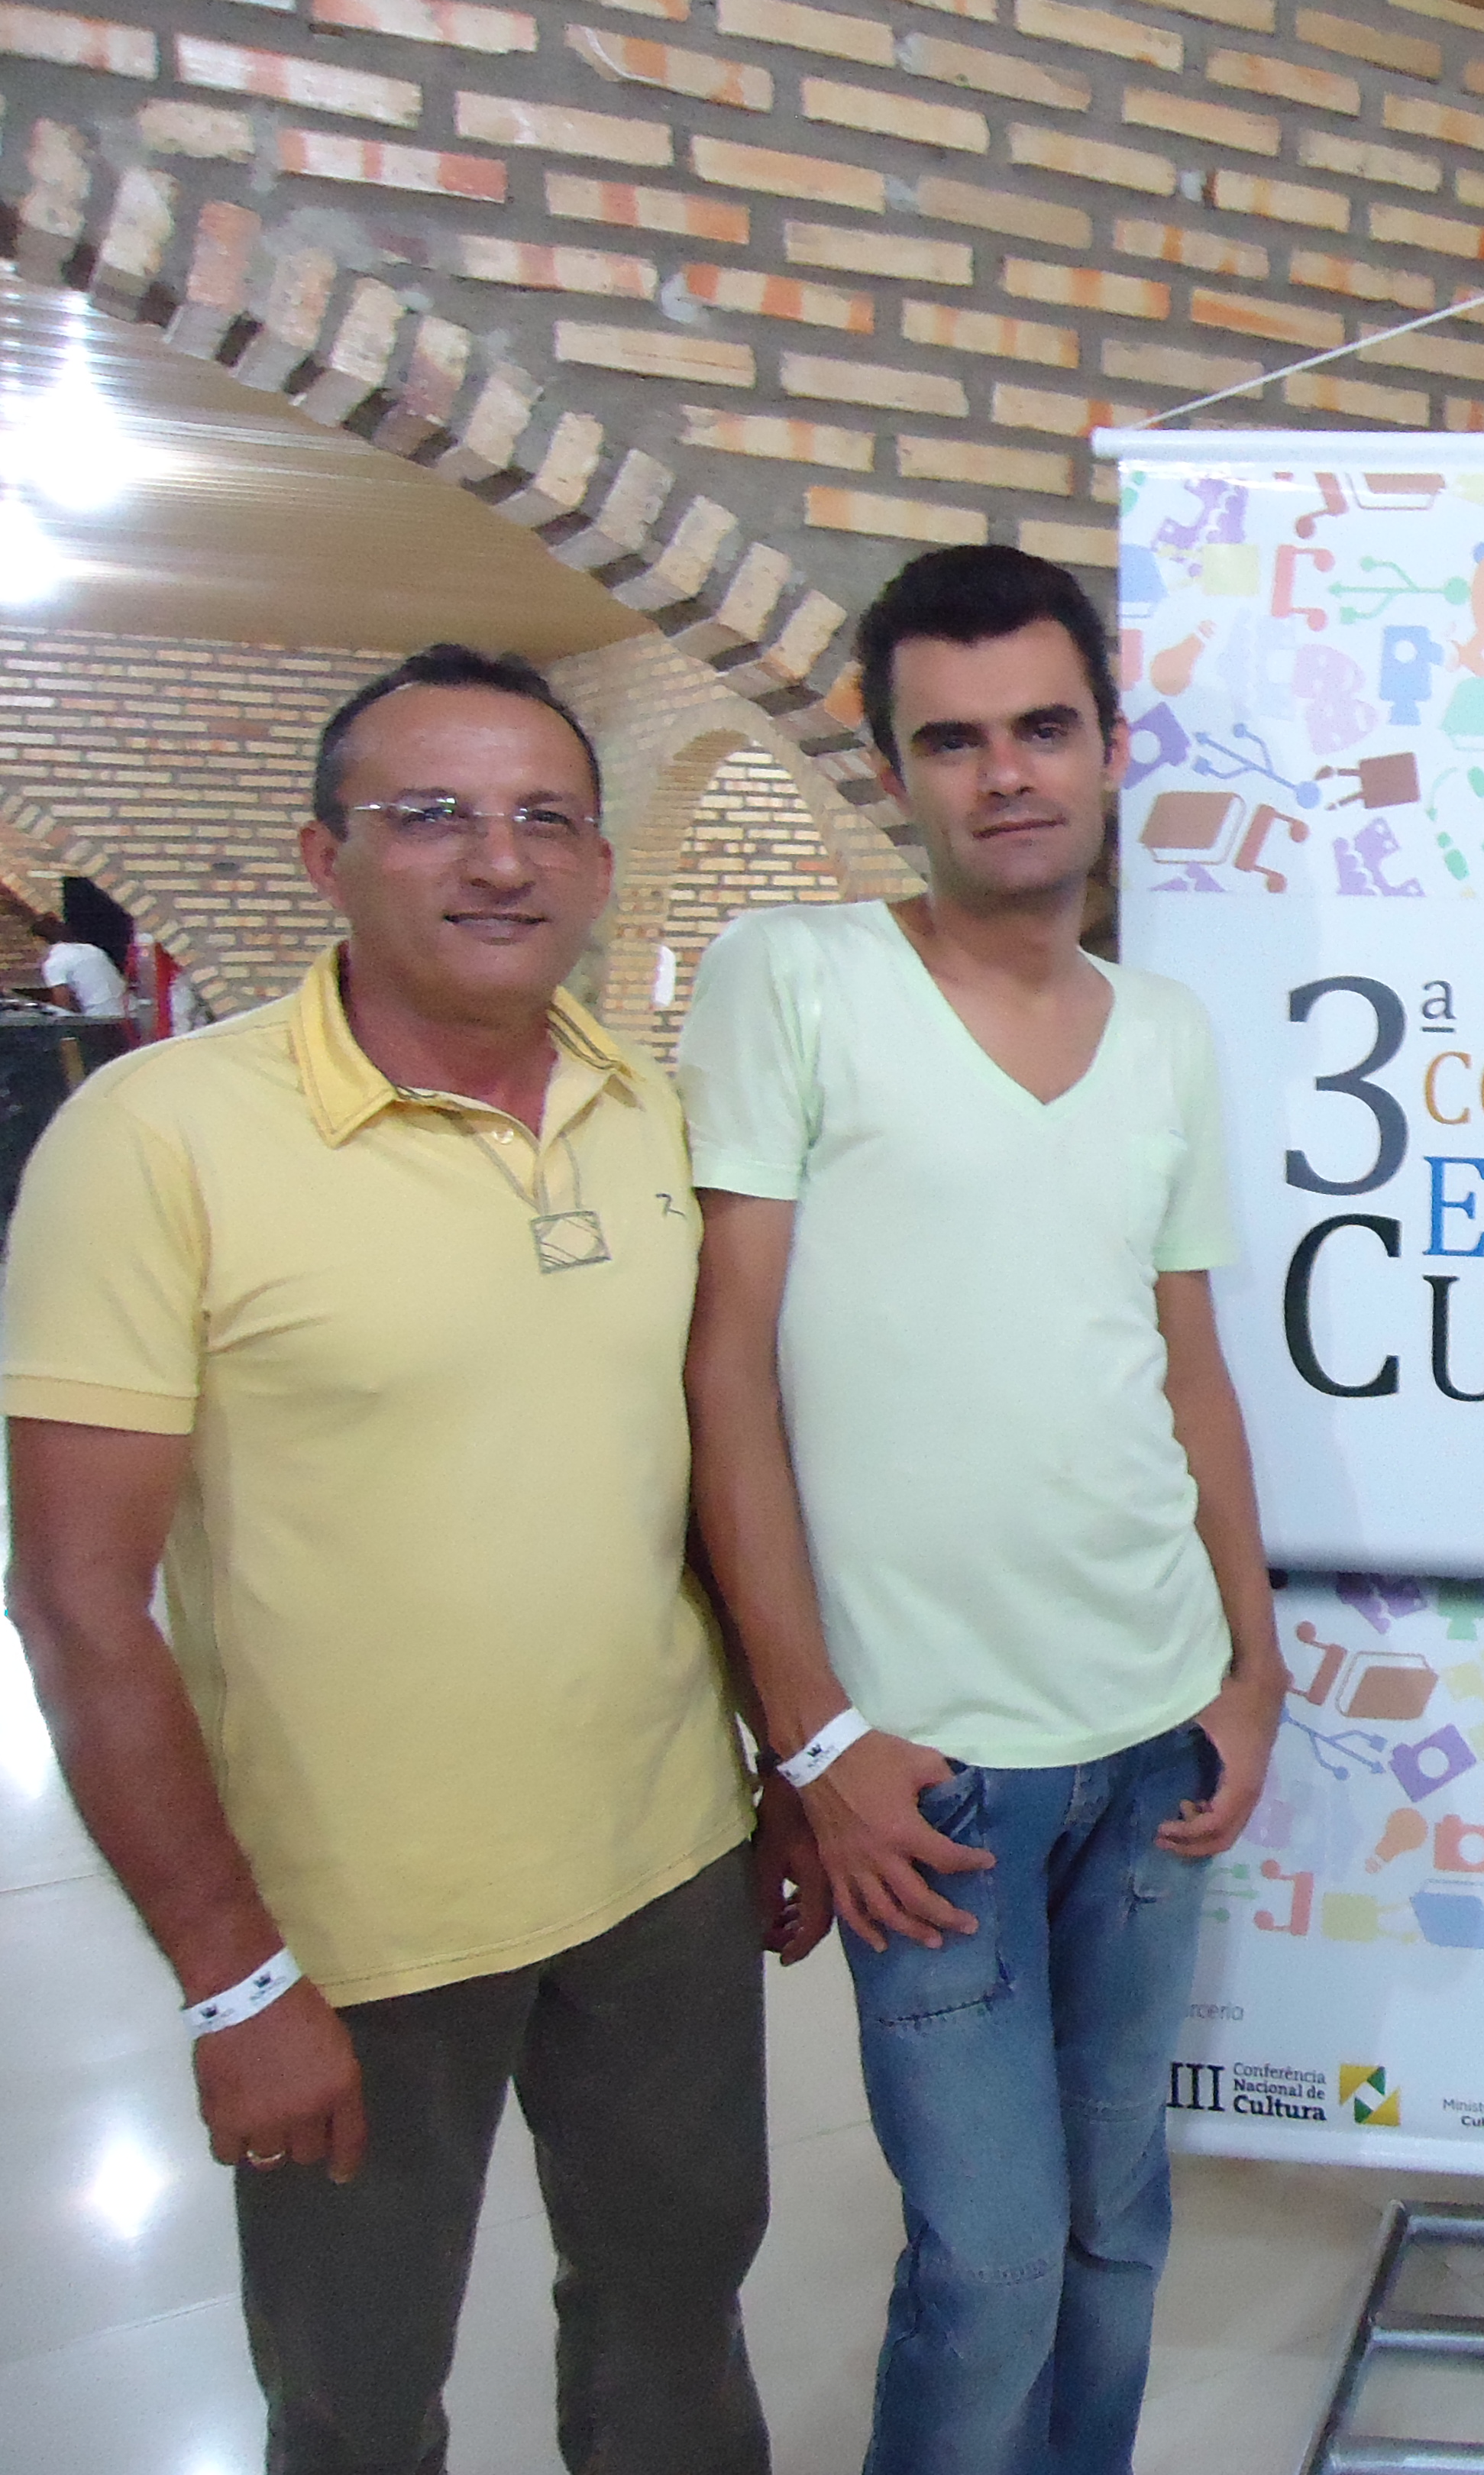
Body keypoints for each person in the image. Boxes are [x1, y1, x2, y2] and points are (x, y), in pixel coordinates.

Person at [1, 643, 819, 2473]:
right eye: (434, 814)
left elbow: (697, 1472)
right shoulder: (160, 1139)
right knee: (359, 2398)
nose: (499, 860)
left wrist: (781, 1760)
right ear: (328, 856)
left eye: (546, 818)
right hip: (349, 1924)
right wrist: (234, 1974)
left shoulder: (646, 1106)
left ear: (599, 863)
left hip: (663, 1870)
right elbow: (74, 1598)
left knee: (679, 2312)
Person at [679, 545, 1287, 2475]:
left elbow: (1190, 1368)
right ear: (894, 769)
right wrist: (812, 1738)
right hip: (926, 1769)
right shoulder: (795, 979)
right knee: (993, 2258)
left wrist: (1254, 1668)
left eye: (1043, 727)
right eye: (953, 740)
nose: (1005, 772)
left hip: (1155, 1734)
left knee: (1118, 2230)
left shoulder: (1166, 1028)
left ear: (1109, 749)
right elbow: (726, 1374)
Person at [32, 911, 129, 1016]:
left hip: (101, 1015)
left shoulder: (54, 963)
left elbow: (64, 1004)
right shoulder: (92, 949)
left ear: (39, 940)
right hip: (129, 1008)